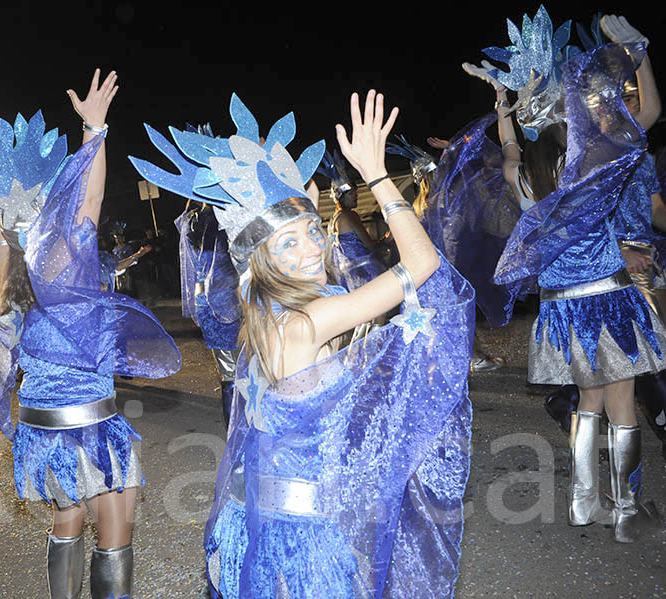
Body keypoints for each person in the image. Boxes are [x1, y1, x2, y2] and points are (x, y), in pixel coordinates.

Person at [131, 91, 473, 597]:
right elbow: (423, 266)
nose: (313, 247)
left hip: (264, 517)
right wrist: (376, 175)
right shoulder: (308, 322)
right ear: (260, 260)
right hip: (300, 535)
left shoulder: (263, 313)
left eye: (312, 231)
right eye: (289, 243)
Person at [0, 70, 181, 599]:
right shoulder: (67, 260)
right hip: (88, 420)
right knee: (114, 532)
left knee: (67, 523)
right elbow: (89, 201)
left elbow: (2, 236)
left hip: (43, 424)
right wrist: (95, 132)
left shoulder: (9, 274)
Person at [466, 8, 664, 542]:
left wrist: (501, 102)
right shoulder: (591, 162)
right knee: (622, 404)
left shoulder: (522, 176)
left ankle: (583, 503)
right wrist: (639, 55)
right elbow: (648, 116)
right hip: (606, 299)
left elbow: (509, 145)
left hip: (560, 307)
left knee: (590, 402)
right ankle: (626, 513)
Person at [388, 134, 508, 372]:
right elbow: (473, 176)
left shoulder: (415, 205)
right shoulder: (448, 197)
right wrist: (456, 149)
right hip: (450, 269)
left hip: (427, 273)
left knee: (439, 320)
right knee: (457, 316)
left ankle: (451, 361)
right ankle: (471, 358)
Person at [175, 202, 241, 429]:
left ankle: (235, 430)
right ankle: (239, 431)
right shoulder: (223, 217)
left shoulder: (191, 220)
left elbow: (196, 271)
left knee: (229, 374)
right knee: (242, 372)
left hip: (206, 302)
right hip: (232, 302)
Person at [317, 149, 387, 293]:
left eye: (355, 191)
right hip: (364, 272)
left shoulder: (333, 220)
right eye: (351, 193)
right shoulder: (349, 215)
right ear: (341, 195)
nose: (356, 195)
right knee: (379, 310)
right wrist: (387, 239)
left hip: (346, 277)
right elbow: (370, 247)